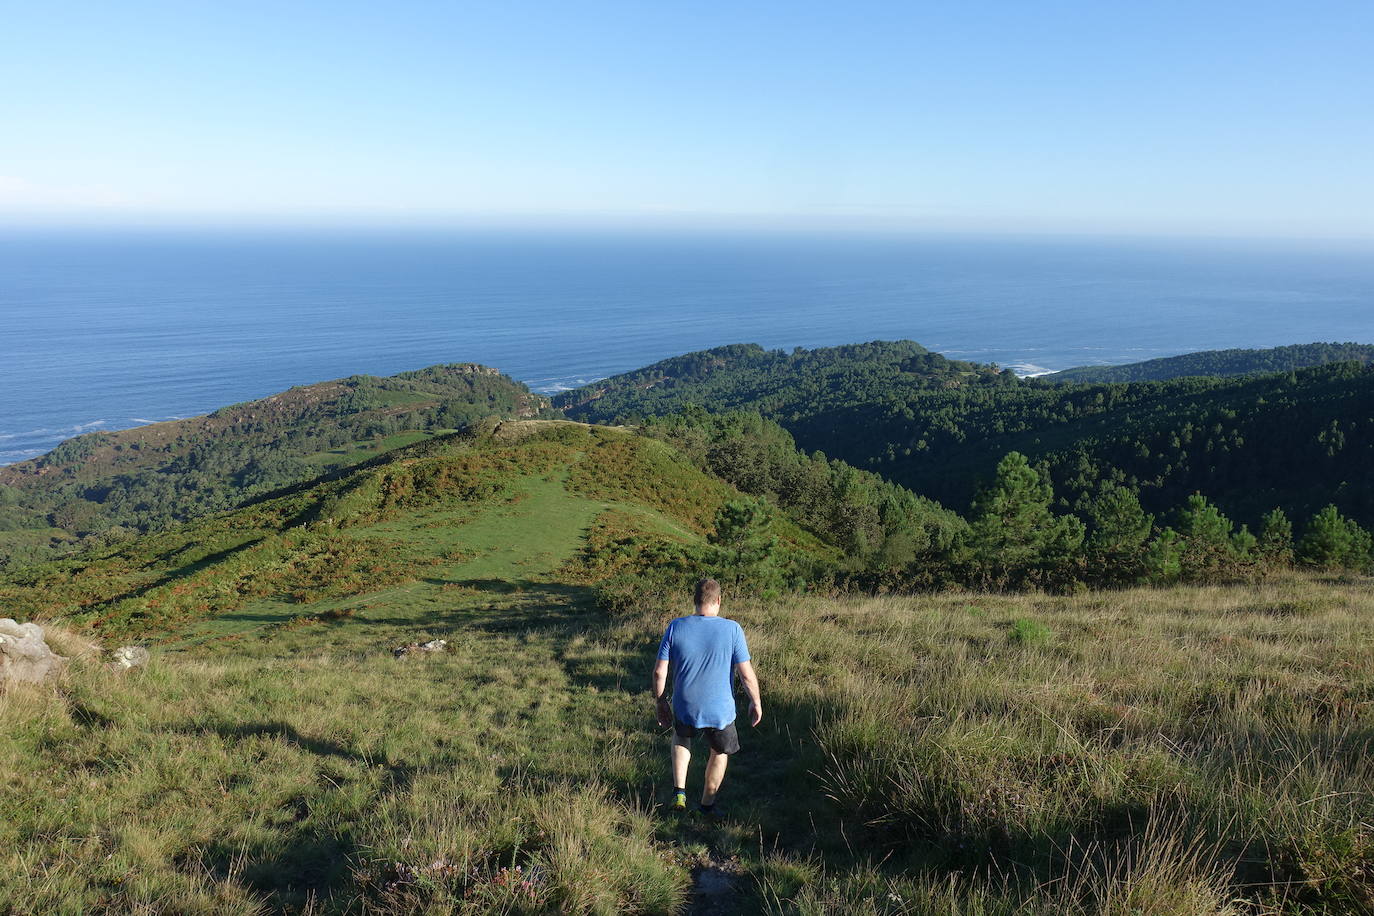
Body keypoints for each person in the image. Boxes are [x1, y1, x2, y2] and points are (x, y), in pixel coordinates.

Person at [651, 577, 762, 816]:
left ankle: (679, 792)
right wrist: (756, 701)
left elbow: (660, 671)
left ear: (695, 600)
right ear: (719, 600)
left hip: (685, 704)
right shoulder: (732, 629)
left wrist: (660, 702)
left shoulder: (676, 626)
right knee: (719, 752)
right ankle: (707, 805)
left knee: (682, 737)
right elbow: (747, 676)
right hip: (720, 710)